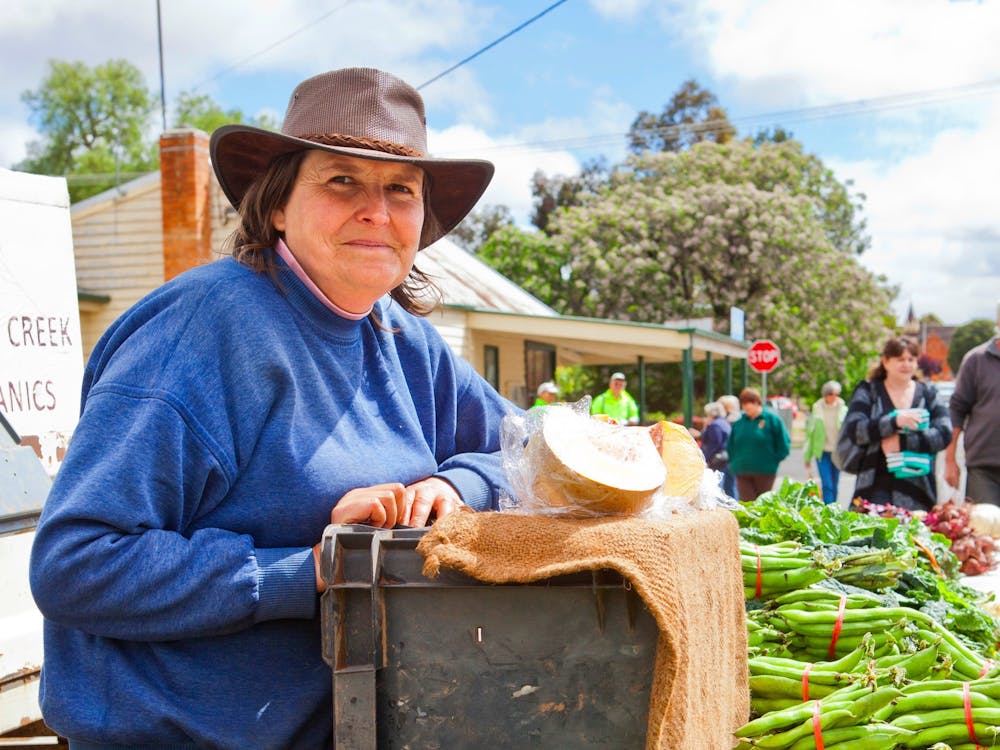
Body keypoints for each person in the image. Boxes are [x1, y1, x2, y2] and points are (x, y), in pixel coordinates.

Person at [29, 67, 517, 750]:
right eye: (342, 180)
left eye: (401, 189)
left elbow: (525, 450)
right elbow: (75, 564)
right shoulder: (204, 330)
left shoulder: (403, 339)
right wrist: (316, 569)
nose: (377, 208)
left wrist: (452, 487)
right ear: (278, 204)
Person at [837, 336, 951, 512]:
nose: (906, 364)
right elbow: (854, 428)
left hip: (919, 490)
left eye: (911, 359)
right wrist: (893, 421)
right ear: (886, 362)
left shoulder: (929, 393)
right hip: (874, 487)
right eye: (900, 359)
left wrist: (903, 442)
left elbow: (944, 433)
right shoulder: (868, 391)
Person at [945, 303, 1000, 504]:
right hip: (984, 469)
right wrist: (950, 460)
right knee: (984, 530)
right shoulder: (976, 360)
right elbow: (957, 409)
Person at [726, 387, 790, 501]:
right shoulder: (739, 423)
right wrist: (734, 462)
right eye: (743, 403)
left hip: (765, 471)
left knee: (762, 504)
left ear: (757, 402)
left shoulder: (772, 420)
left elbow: (783, 444)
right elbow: (730, 445)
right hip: (742, 470)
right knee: (748, 505)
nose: (746, 406)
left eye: (749, 402)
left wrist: (774, 461)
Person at [803, 380, 847, 505]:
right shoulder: (817, 410)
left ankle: (834, 508)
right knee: (827, 484)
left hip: (837, 452)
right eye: (830, 394)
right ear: (825, 395)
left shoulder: (843, 410)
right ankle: (828, 508)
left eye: (836, 394)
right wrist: (807, 456)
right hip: (822, 452)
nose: (833, 397)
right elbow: (810, 435)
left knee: (835, 483)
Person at [700, 400, 731, 486]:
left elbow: (714, 444)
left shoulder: (715, 425)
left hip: (717, 460)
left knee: (718, 486)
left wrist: (706, 459)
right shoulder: (724, 422)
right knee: (729, 487)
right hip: (726, 458)